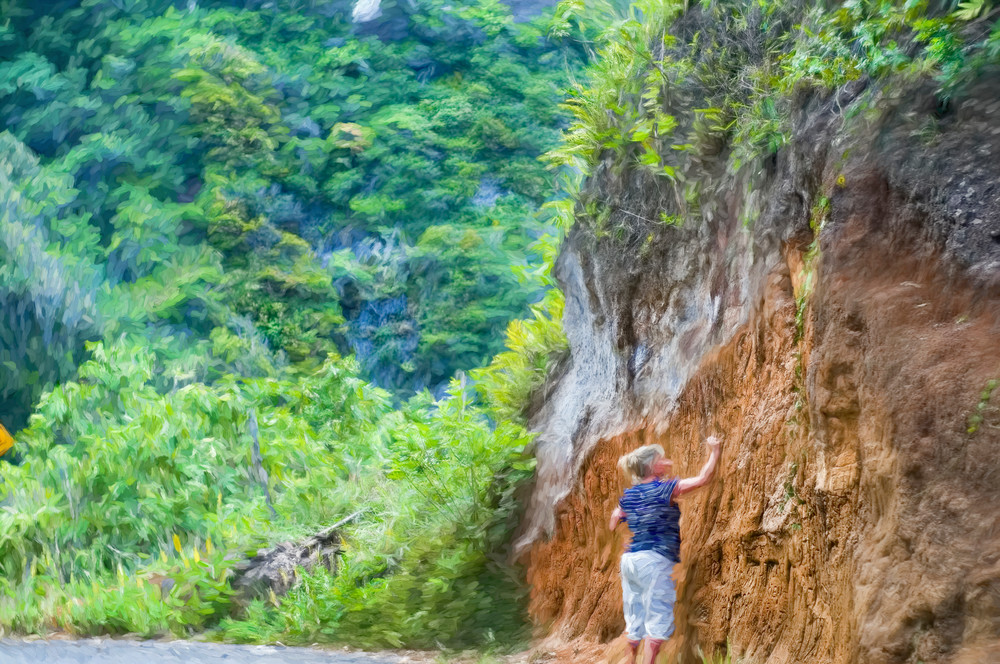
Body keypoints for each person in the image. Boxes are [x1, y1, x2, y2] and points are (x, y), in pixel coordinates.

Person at [608, 436, 722, 664]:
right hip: (654, 561)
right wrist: (715, 451)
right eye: (662, 460)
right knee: (657, 619)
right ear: (653, 466)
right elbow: (703, 479)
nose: (667, 462)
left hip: (630, 561)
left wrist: (626, 535)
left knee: (635, 616)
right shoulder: (665, 489)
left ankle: (630, 659)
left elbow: (614, 520)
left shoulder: (629, 495)